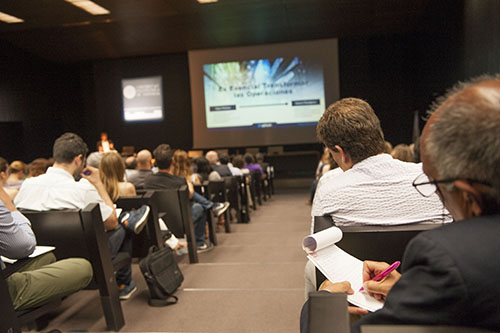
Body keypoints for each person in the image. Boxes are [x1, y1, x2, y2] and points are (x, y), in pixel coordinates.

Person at [311, 77, 500, 332]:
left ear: (469, 196)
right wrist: (406, 288)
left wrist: (323, 303)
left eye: (435, 184)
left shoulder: (455, 260)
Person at [305, 98, 449, 296]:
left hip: (356, 293)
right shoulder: (429, 178)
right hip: (431, 287)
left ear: (340, 152)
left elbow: (319, 249)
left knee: (309, 270)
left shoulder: (328, 188)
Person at [14, 133, 150, 300]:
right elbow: (111, 222)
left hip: (45, 261)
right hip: (87, 261)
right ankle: (123, 285)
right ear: (79, 159)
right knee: (122, 227)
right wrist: (99, 183)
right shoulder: (82, 189)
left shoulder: (28, 185)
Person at [0, 185, 93, 311]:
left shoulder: (30, 185)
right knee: (83, 267)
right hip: (4, 293)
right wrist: (8, 204)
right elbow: (23, 246)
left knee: (46, 257)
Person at [144, 144, 228, 252]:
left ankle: (211, 206)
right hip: (181, 222)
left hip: (158, 222)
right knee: (200, 208)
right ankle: (199, 242)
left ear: (154, 161)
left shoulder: (148, 181)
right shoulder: (179, 181)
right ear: (172, 161)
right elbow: (190, 195)